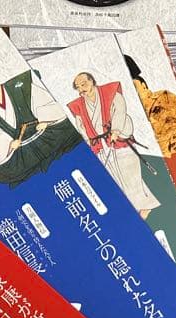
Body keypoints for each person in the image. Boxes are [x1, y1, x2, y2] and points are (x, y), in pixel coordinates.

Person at [0, 66, 82, 188]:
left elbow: (46, 104)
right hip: (20, 150)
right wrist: (9, 145)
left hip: (43, 135)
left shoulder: (19, 85)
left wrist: (46, 121)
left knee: (68, 128)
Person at [67, 72, 160, 219]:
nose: (81, 89)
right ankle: (133, 210)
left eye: (83, 84)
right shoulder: (78, 105)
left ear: (92, 81)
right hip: (100, 147)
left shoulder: (110, 92)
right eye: (78, 87)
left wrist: (115, 130)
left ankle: (144, 207)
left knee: (131, 176)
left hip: (119, 141)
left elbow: (120, 111)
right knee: (115, 180)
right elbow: (81, 127)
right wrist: (88, 143)